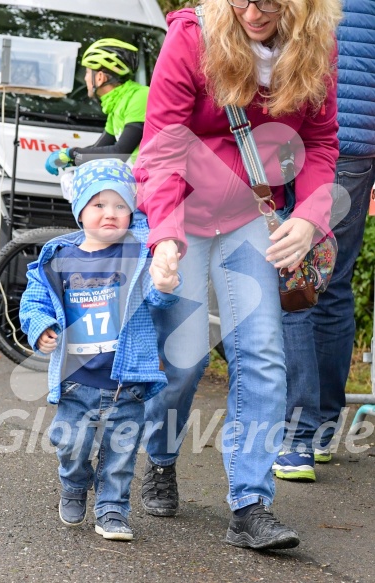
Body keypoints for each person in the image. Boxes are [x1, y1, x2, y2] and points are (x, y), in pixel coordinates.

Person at [133, 0, 341, 551]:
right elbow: (161, 145)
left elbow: (321, 144)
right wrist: (165, 239)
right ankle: (159, 456)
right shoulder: (192, 37)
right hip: (182, 207)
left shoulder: (316, 45)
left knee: (263, 354)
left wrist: (309, 216)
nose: (254, 9)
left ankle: (251, 503)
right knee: (185, 356)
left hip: (251, 213)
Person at [19, 158, 181, 541]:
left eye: (121, 205)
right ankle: (75, 484)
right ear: (80, 210)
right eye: (99, 205)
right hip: (76, 379)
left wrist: (166, 284)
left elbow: (159, 302)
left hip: (126, 379)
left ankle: (112, 508)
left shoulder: (139, 253)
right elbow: (34, 301)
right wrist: (41, 327)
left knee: (121, 450)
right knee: (72, 444)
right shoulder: (58, 256)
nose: (111, 213)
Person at [274, 0, 375, 483]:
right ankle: (321, 433)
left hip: (304, 132)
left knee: (294, 278)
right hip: (358, 146)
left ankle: (296, 437)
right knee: (333, 284)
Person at [44, 38, 149, 175]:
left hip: (158, 184)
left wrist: (71, 153)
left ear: (100, 77)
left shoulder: (139, 97)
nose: (86, 79)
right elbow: (99, 148)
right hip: (141, 182)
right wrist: (68, 159)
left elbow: (120, 152)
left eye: (87, 73)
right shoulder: (116, 104)